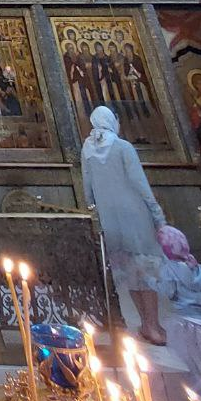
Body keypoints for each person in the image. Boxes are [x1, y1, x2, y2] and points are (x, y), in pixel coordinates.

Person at [82, 105, 167, 344]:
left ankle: (145, 323)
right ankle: (153, 324)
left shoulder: (88, 150)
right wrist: (157, 215)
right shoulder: (123, 147)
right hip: (135, 216)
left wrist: (94, 212)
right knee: (145, 271)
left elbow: (87, 189)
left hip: (109, 219)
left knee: (129, 270)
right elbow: (140, 184)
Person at [154, 226, 201, 389]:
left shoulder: (168, 269)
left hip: (185, 323)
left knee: (192, 361)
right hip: (200, 319)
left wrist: (150, 282)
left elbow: (168, 291)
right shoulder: (196, 267)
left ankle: (198, 392)